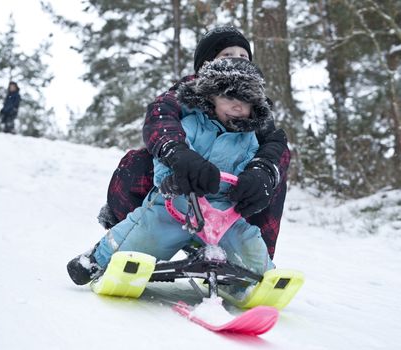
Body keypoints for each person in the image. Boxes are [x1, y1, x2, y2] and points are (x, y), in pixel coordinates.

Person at [68, 58, 275, 286]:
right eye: (229, 98)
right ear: (211, 97)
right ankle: (99, 262)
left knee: (246, 240)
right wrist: (170, 179)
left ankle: (260, 279)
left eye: (245, 101)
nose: (237, 107)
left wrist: (249, 184)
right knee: (146, 230)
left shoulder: (249, 141)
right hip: (178, 201)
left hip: (222, 211)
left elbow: (251, 166)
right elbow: (169, 155)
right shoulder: (193, 125)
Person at [98, 26, 290, 259]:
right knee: (136, 162)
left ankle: (253, 263)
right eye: (227, 55)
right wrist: (180, 155)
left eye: (243, 56)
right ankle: (128, 242)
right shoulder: (186, 92)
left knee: (271, 178)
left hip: (226, 201)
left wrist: (263, 172)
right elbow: (160, 117)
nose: (236, 61)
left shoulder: (253, 108)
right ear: (205, 65)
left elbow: (274, 144)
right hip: (175, 187)